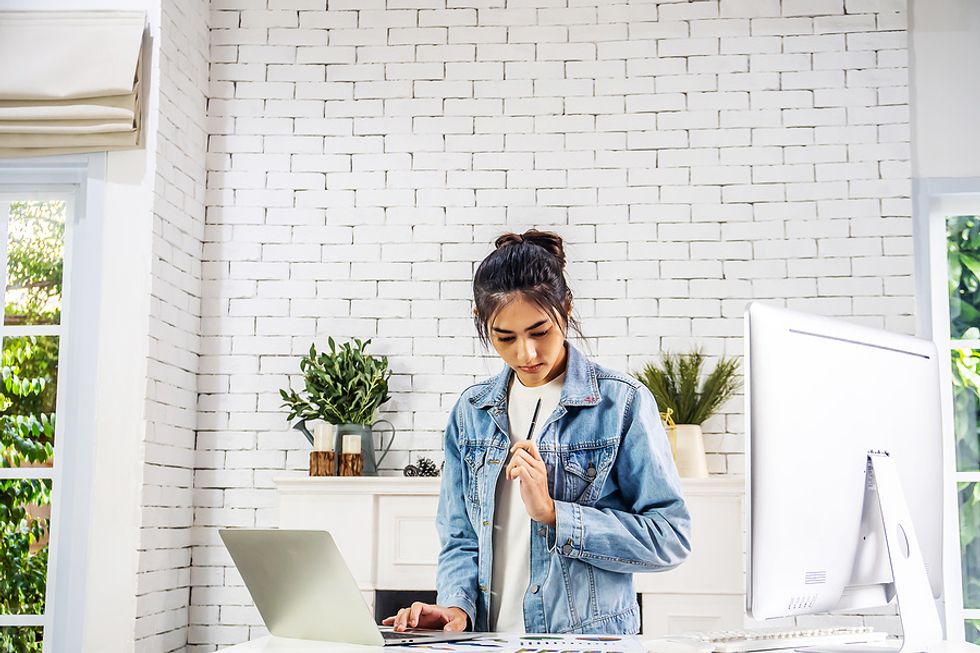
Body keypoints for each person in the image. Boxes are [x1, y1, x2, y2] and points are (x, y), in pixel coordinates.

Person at [383, 229, 691, 635]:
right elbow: (459, 538)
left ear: (566, 307)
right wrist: (456, 607)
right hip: (489, 642)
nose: (525, 354)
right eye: (504, 337)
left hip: (587, 644)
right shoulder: (471, 412)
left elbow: (670, 538)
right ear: (482, 323)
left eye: (539, 331)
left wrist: (553, 514)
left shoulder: (622, 404)